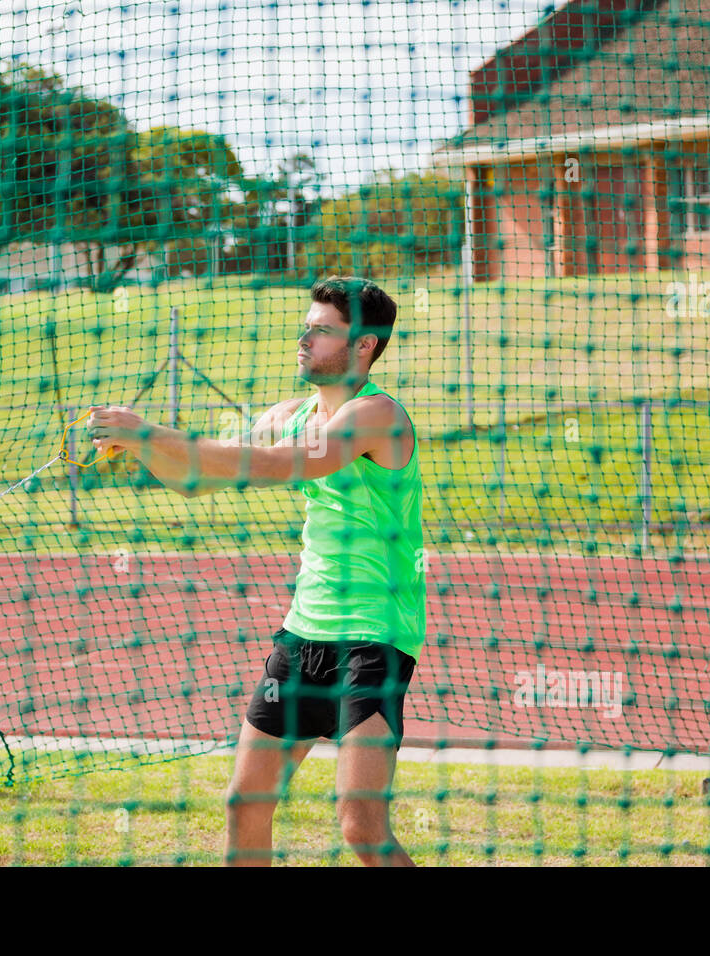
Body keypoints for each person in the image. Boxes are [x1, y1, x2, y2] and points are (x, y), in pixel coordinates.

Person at [87, 275, 425, 866]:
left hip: (373, 639)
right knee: (246, 801)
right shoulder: (288, 414)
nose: (305, 339)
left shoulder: (377, 416)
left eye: (322, 331)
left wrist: (150, 431)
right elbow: (200, 480)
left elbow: (280, 466)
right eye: (307, 326)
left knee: (360, 826)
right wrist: (141, 447)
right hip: (303, 636)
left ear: (365, 345)